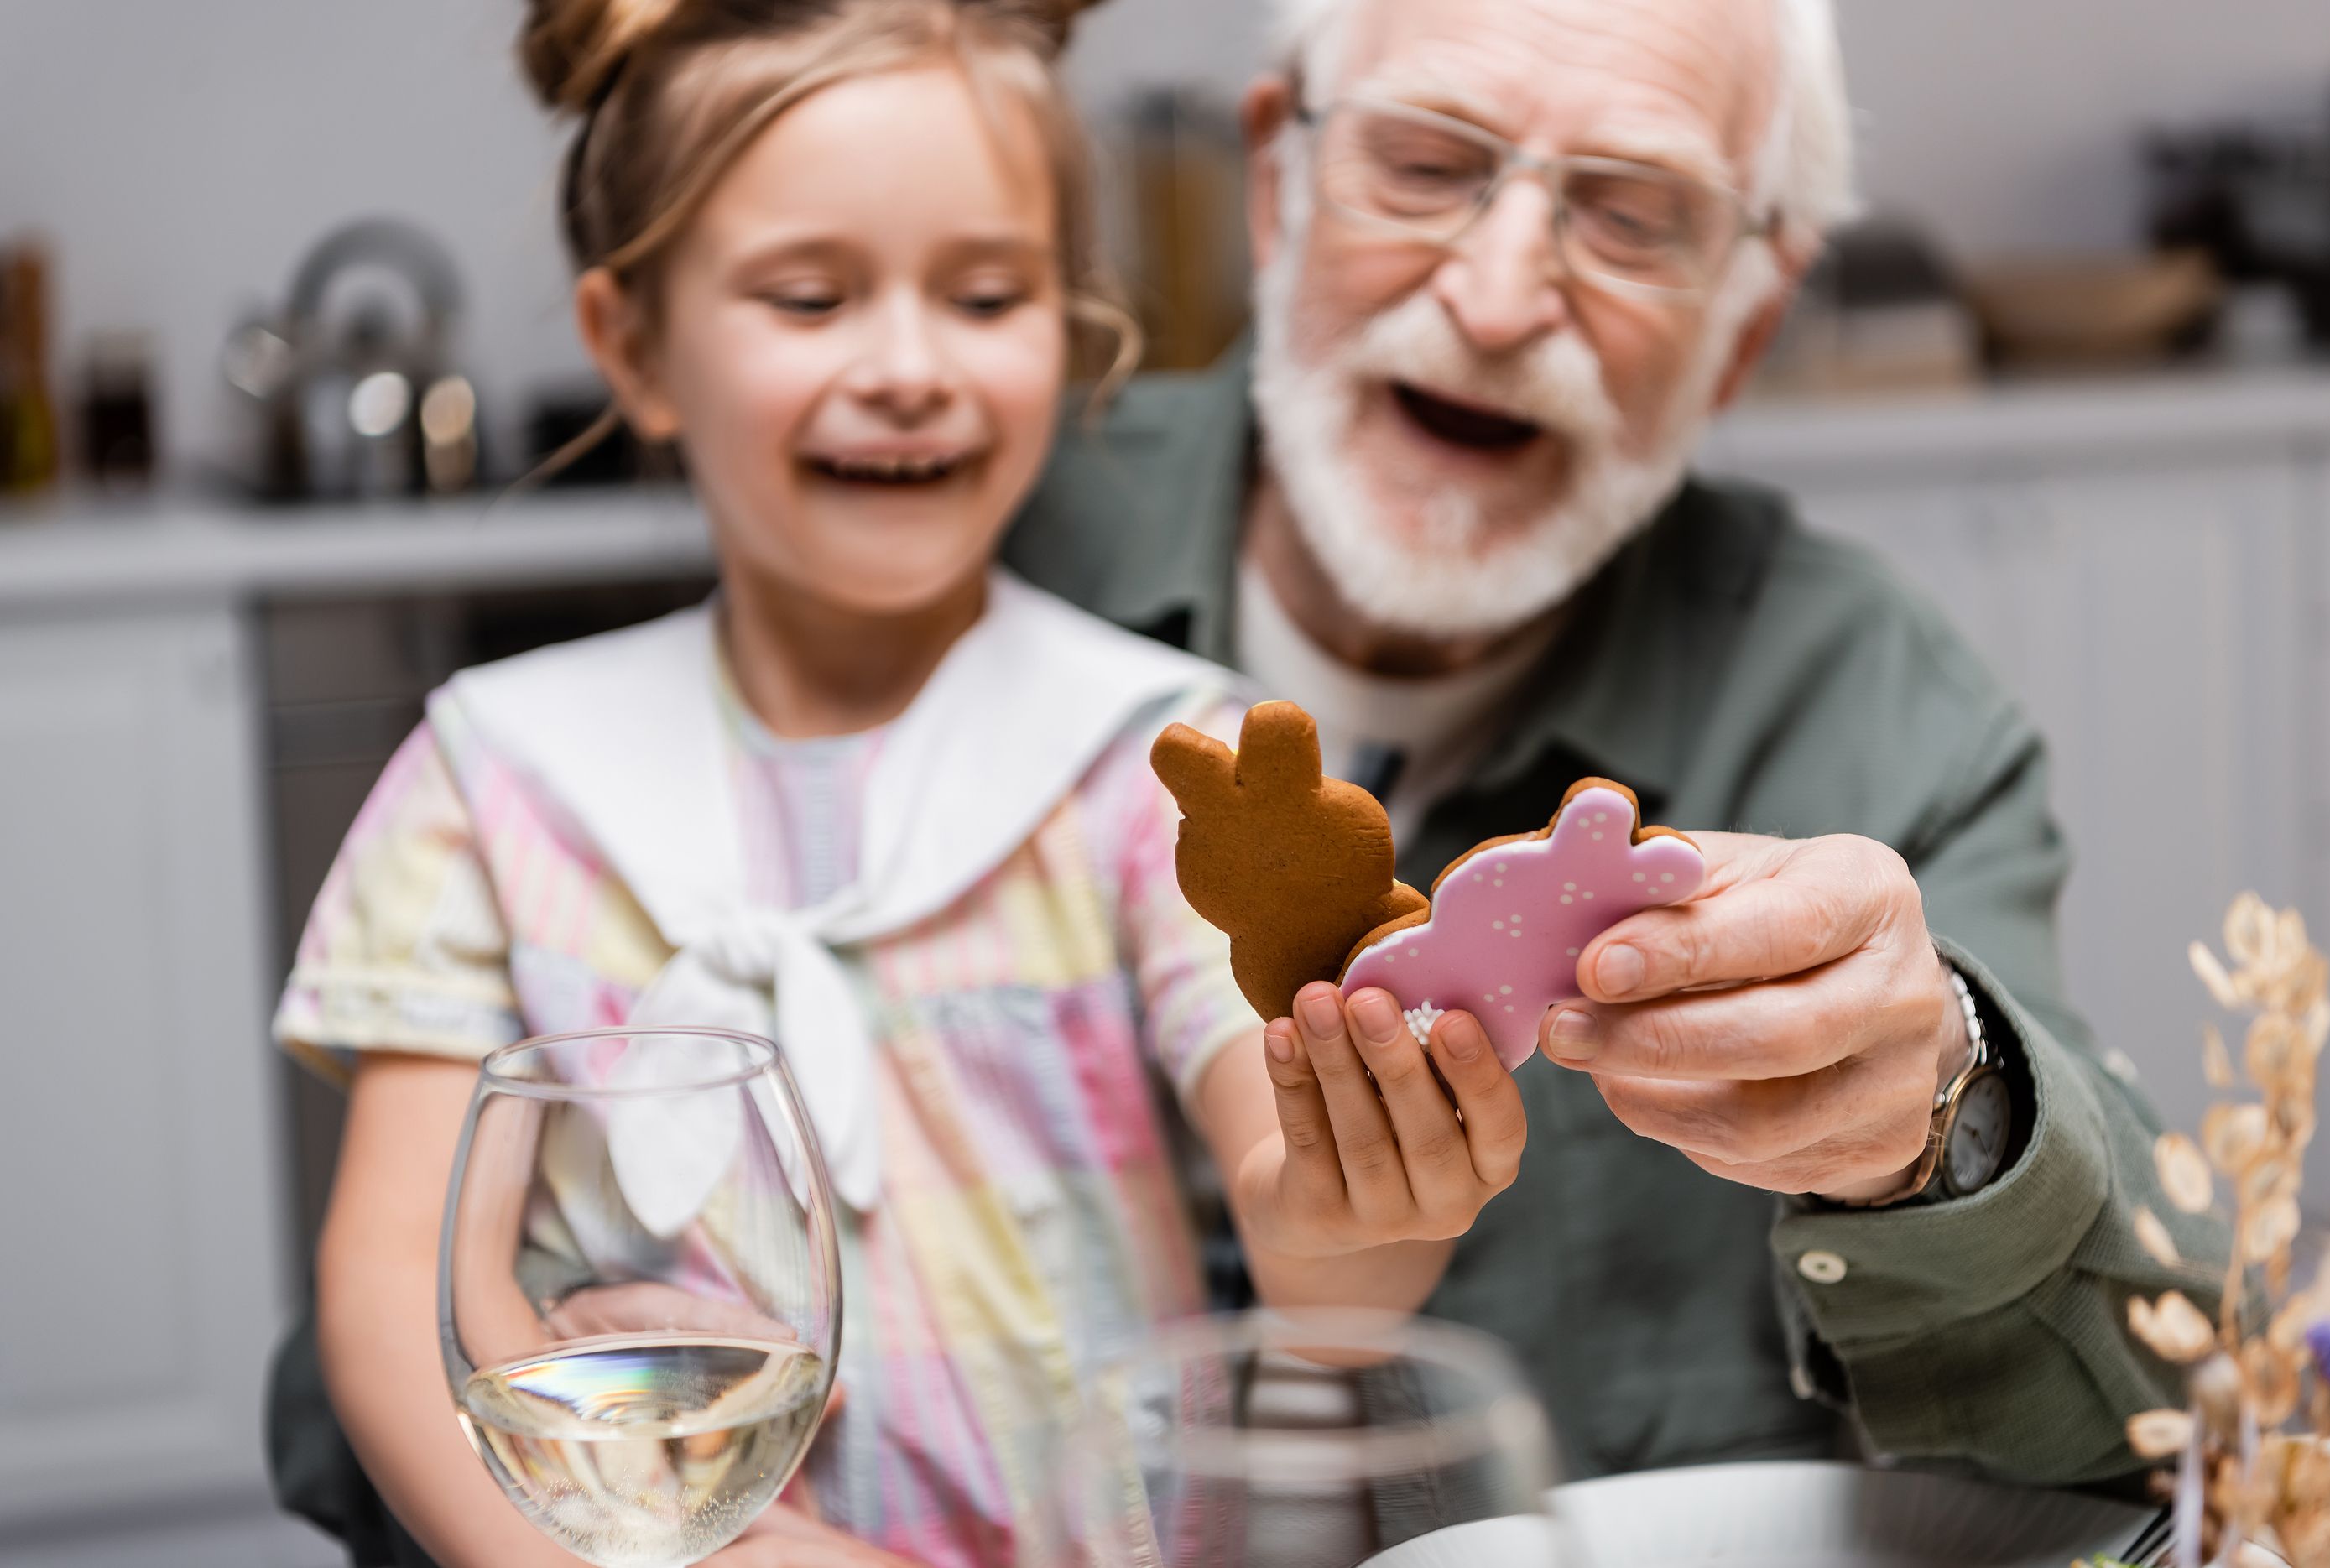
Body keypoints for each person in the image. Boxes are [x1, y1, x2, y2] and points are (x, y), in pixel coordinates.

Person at [268, 2, 1535, 1564]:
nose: (909, 367)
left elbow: (1316, 1265)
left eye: (987, 293)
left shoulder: (1159, 760)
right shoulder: (494, 782)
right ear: (636, 347)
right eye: (811, 297)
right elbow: (397, 1300)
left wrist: (1370, 1202)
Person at [1003, 0, 2226, 1486]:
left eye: (1635, 218)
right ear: (1277, 187)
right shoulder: (980, 556)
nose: (1503, 295)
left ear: (1740, 330)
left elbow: (2157, 1406)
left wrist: (1942, 1112)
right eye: (1428, 165)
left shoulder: (1876, 714)